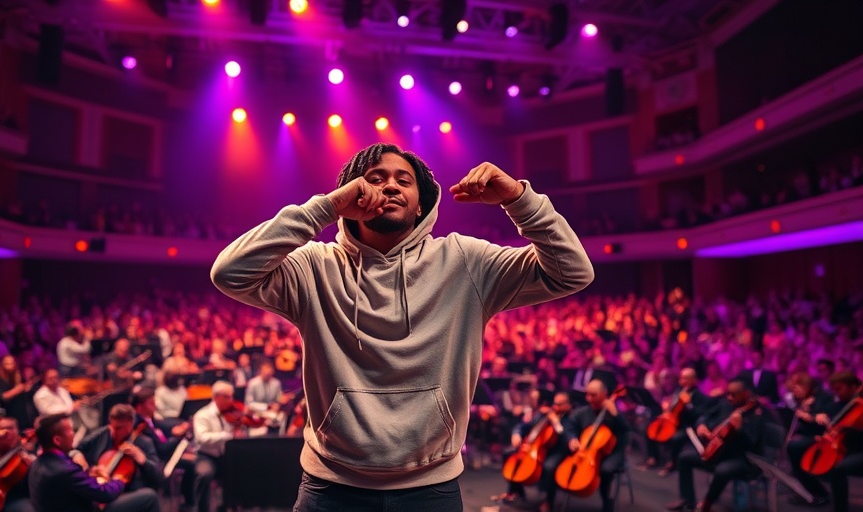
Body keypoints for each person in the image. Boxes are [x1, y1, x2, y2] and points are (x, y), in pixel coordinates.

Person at [210, 143, 594, 510]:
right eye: (375, 178)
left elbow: (572, 272)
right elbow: (229, 273)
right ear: (352, 195)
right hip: (331, 488)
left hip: (430, 491)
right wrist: (325, 208)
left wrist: (519, 199)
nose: (389, 185)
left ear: (421, 203)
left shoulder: (464, 261)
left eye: (402, 180)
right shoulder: (314, 267)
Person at [666, 378, 765, 512]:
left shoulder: (754, 414)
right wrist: (701, 425)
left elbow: (752, 444)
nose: (729, 397)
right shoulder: (724, 405)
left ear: (746, 395)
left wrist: (740, 429)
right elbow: (705, 415)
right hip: (717, 452)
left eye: (734, 395)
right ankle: (687, 500)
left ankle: (707, 503)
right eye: (728, 393)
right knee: (684, 457)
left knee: (721, 470)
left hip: (740, 458)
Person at [494, 391, 576, 512]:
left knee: (549, 466)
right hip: (538, 449)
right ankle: (516, 491)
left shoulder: (569, 420)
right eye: (555, 403)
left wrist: (557, 424)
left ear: (568, 405)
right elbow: (523, 426)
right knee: (509, 453)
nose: (555, 407)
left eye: (560, 404)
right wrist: (516, 434)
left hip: (557, 451)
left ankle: (548, 501)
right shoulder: (544, 415)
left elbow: (567, 437)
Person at [71, 404, 161, 511]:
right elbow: (77, 449)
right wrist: (82, 460)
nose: (113, 432)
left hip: (125, 495)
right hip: (100, 491)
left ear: (130, 424)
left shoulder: (144, 442)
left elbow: (158, 477)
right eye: (111, 426)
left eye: (118, 428)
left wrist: (143, 460)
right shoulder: (105, 432)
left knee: (151, 496)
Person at [28, 412, 125, 512]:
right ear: (57, 440)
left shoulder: (36, 464)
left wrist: (90, 472)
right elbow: (105, 494)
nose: (73, 433)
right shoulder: (65, 471)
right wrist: (119, 479)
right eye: (69, 429)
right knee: (142, 499)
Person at [562, 379, 628, 512]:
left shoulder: (614, 411)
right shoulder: (583, 411)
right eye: (587, 395)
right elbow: (569, 425)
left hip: (613, 452)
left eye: (594, 395)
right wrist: (572, 439)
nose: (589, 399)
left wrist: (615, 414)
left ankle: (607, 502)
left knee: (606, 470)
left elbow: (626, 431)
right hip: (587, 451)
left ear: (605, 394)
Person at [642, 367, 710, 477]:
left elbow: (699, 415)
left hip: (686, 426)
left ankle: (672, 463)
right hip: (672, 420)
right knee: (650, 429)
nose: (683, 381)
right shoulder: (679, 390)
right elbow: (672, 406)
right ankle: (653, 458)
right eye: (682, 378)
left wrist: (688, 405)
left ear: (693, 380)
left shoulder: (699, 396)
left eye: (686, 378)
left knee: (675, 438)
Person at [191, 380, 244, 512]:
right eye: (227, 397)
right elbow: (202, 438)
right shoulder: (202, 415)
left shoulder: (229, 413)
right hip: (206, 456)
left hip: (226, 456)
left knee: (246, 469)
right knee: (204, 474)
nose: (231, 400)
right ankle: (202, 508)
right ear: (216, 397)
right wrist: (227, 435)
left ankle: (231, 506)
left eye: (232, 396)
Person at [784, 371, 833, 506]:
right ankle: (808, 491)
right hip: (808, 435)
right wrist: (804, 410)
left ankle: (819, 493)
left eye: (796, 389)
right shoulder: (805, 399)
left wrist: (809, 415)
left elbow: (823, 420)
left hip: (822, 437)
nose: (794, 393)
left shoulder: (823, 398)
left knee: (793, 448)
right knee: (794, 451)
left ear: (804, 387)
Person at [820, 371, 863, 512]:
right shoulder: (846, 405)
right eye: (834, 389)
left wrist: (848, 430)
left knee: (838, 468)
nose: (836, 393)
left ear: (854, 387)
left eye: (839, 389)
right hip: (850, 448)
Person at [0, 355, 37, 428]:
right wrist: (16, 390)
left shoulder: (20, 377)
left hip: (21, 417)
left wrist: (28, 389)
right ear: (1, 365)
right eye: (7, 364)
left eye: (12, 363)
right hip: (4, 417)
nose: (9, 366)